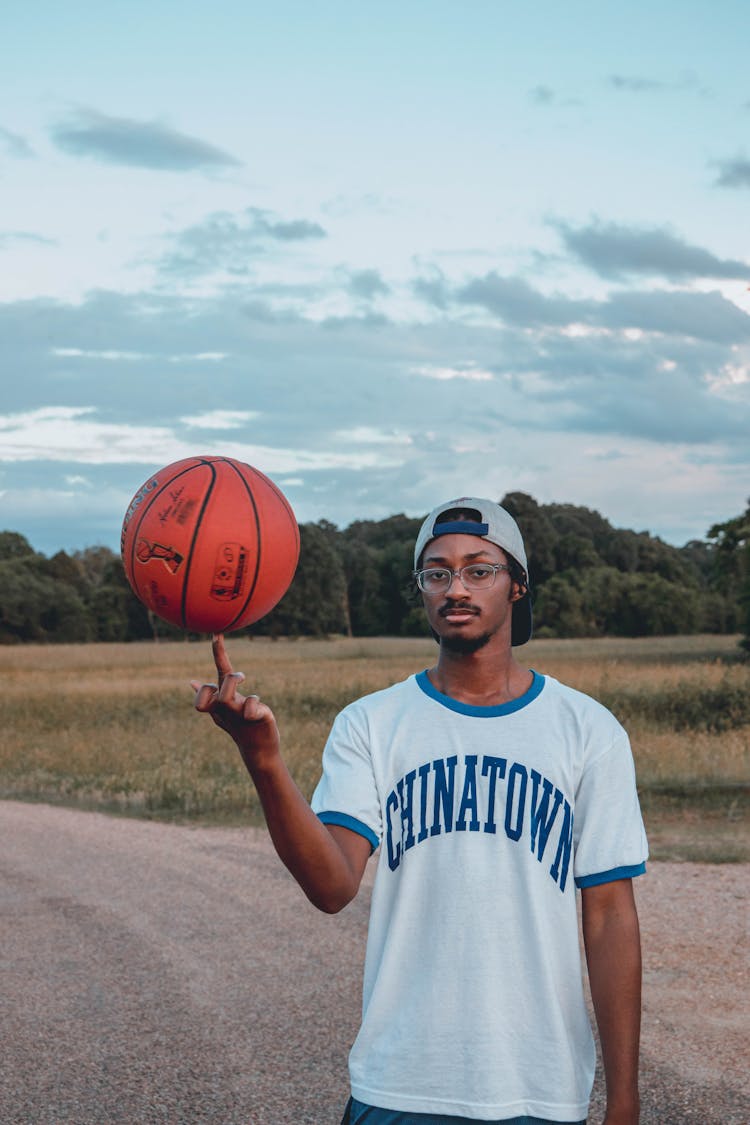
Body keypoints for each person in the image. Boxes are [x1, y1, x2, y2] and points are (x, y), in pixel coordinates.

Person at [191, 497, 647, 1125]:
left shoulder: (588, 730)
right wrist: (263, 759)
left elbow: (610, 918)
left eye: (479, 570)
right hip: (401, 1083)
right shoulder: (372, 724)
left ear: (517, 585)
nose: (455, 588)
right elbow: (330, 887)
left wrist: (625, 1099)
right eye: (436, 573)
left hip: (539, 1086)